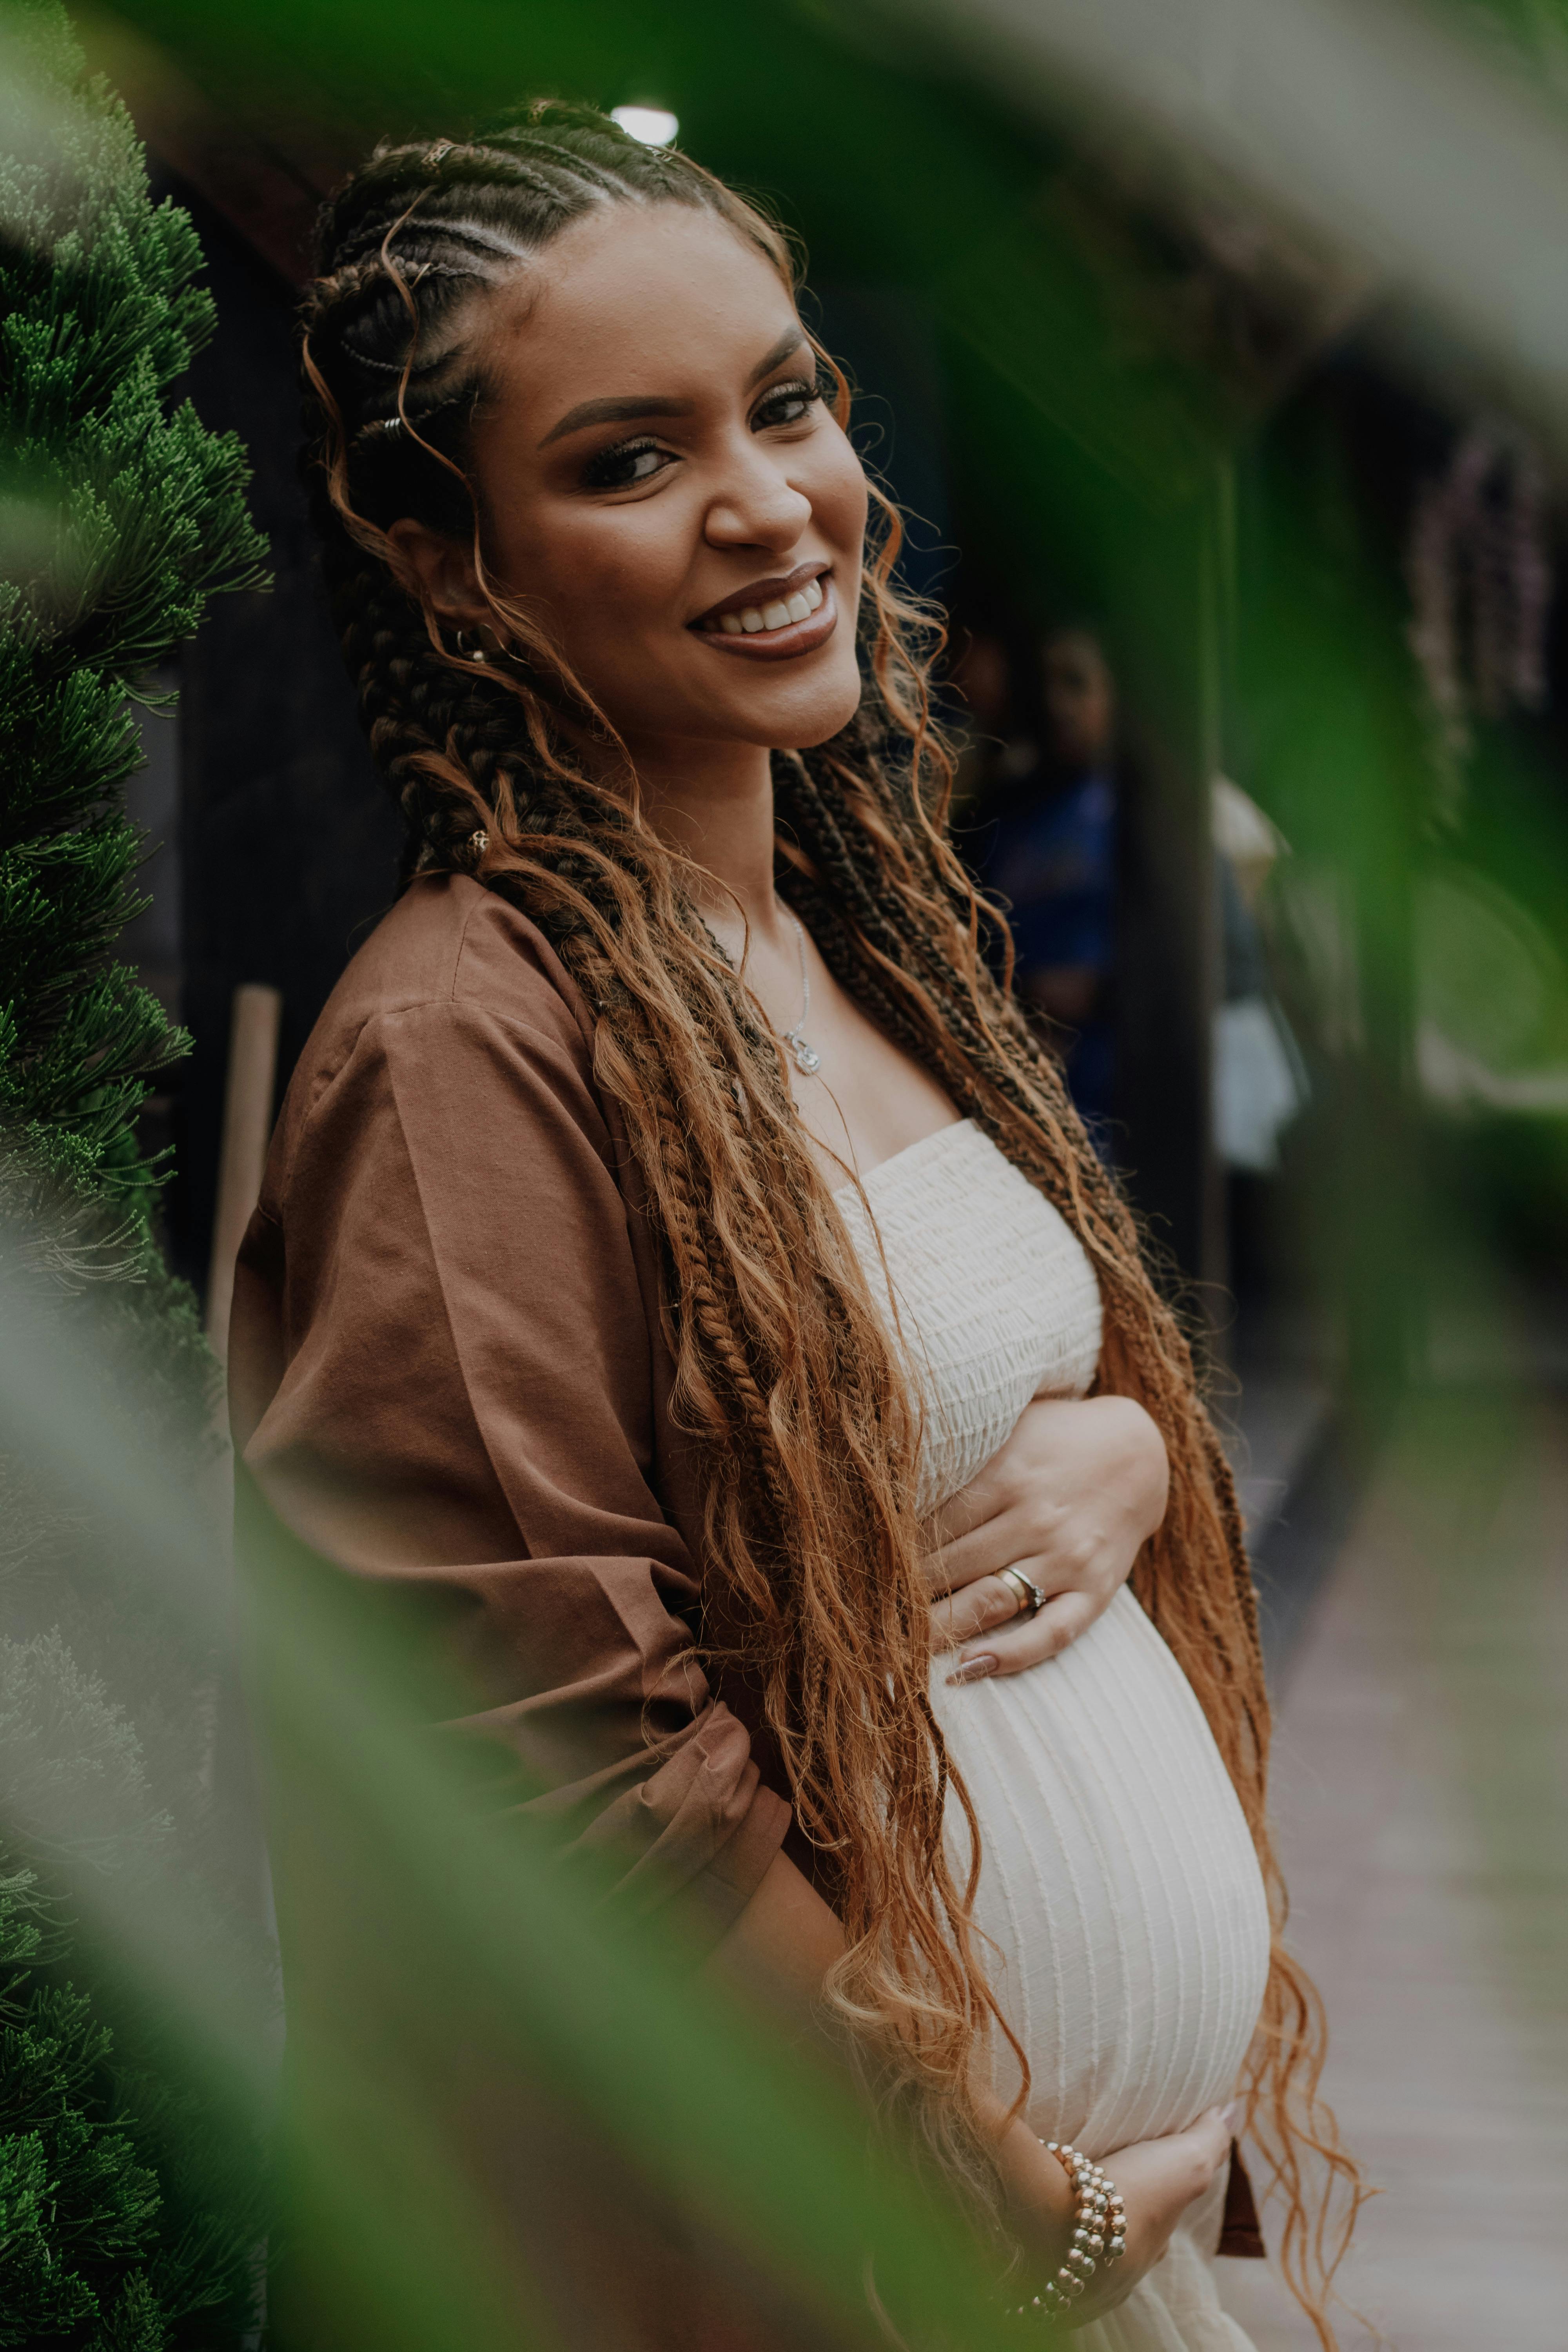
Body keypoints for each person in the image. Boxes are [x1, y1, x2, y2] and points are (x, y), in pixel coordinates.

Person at [229, 105, 1354, 2350]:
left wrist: (1129, 1455)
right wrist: (996, 2208)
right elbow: (573, 1776)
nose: (769, 501)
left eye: (788, 400)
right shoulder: (465, 1044)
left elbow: (934, 1402)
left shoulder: (854, 937)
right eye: (631, 459)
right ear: (449, 555)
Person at [978, 626, 1121, 1139]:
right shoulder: (1000, 816)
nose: (1059, 704)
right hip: (1022, 1079)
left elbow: (1225, 969)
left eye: (1077, 684)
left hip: (1119, 1089)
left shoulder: (1146, 818)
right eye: (1046, 686)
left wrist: (1105, 994)